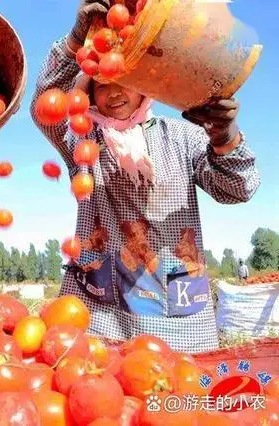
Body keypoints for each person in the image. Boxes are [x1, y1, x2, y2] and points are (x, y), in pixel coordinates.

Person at [31, 0, 260, 353]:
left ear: (144, 85)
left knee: (178, 396)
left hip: (178, 319)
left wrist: (224, 137)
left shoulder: (182, 136)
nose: (116, 93)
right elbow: (46, 106)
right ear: (90, 92)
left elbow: (238, 189)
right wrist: (76, 40)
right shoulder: (83, 137)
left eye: (125, 80)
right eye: (103, 84)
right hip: (101, 315)